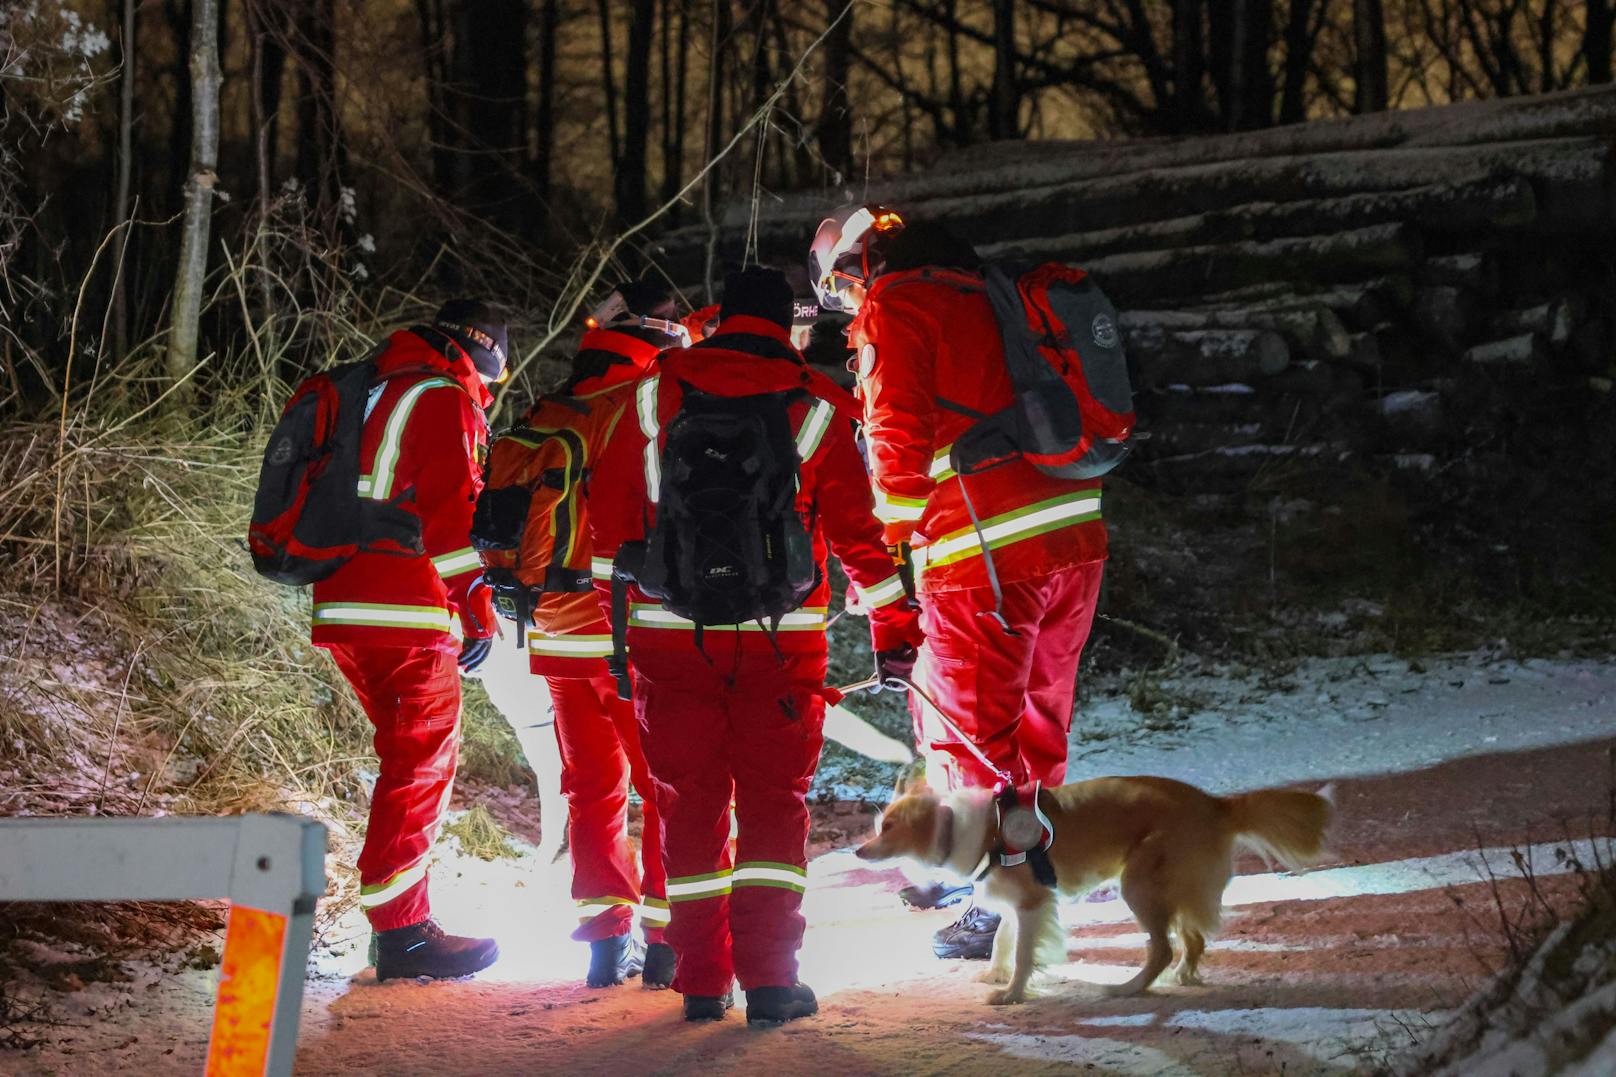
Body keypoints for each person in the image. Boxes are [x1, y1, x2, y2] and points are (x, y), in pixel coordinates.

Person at [589, 267, 923, 1025]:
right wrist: (896, 628)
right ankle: (772, 981)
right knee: (775, 810)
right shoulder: (816, 405)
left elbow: (609, 525)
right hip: (782, 644)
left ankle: (704, 980)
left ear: (721, 318)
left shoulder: (649, 395)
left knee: (687, 807)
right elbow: (862, 543)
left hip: (670, 640)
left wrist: (624, 629)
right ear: (789, 326)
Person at [809, 208, 1110, 960]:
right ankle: (1035, 863)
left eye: (843, 292)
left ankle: (1003, 898)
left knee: (974, 739)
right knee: (1039, 725)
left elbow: (898, 441)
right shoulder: (990, 287)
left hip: (984, 554)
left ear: (854, 268)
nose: (849, 308)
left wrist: (888, 548)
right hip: (1074, 534)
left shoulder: (897, 303)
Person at [310, 299, 506, 981]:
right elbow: (451, 520)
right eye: (491, 381)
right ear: (479, 360)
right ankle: (402, 931)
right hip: (404, 606)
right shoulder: (442, 396)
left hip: (343, 599)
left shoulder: (372, 385)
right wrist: (478, 609)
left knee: (405, 757)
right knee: (421, 760)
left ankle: (398, 919)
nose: (486, 395)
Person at [505, 280, 686, 988]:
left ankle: (605, 942)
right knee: (666, 786)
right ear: (658, 336)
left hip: (552, 631)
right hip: (623, 632)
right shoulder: (638, 405)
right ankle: (668, 938)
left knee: (592, 790)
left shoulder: (552, 405)